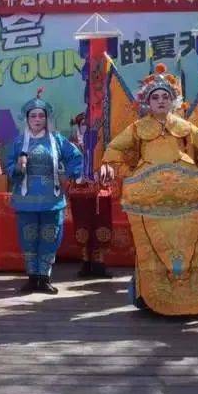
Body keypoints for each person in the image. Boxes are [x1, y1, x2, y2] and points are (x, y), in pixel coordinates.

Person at [102, 64, 198, 316]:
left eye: (165, 96)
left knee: (189, 243)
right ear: (147, 102)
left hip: (188, 198)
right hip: (149, 198)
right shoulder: (137, 128)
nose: (160, 101)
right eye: (155, 97)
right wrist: (128, 174)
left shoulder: (185, 127)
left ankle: (194, 297)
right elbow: (113, 150)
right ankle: (148, 296)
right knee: (150, 245)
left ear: (173, 100)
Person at [6, 89, 84, 294]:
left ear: (47, 118)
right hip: (26, 199)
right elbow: (9, 166)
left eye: (41, 116)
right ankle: (32, 277)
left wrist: (68, 174)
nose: (37, 119)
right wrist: (18, 167)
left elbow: (76, 157)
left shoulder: (57, 139)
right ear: (27, 119)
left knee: (50, 236)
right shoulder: (19, 142)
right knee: (28, 236)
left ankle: (44, 277)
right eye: (33, 116)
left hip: (52, 198)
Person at [69, 112, 115, 279]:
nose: (87, 127)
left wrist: (106, 169)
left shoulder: (103, 145)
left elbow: (112, 163)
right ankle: (85, 263)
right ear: (78, 127)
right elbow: (68, 166)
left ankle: (99, 264)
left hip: (100, 193)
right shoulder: (72, 146)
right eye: (83, 124)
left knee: (102, 227)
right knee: (82, 229)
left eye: (90, 125)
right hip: (80, 194)